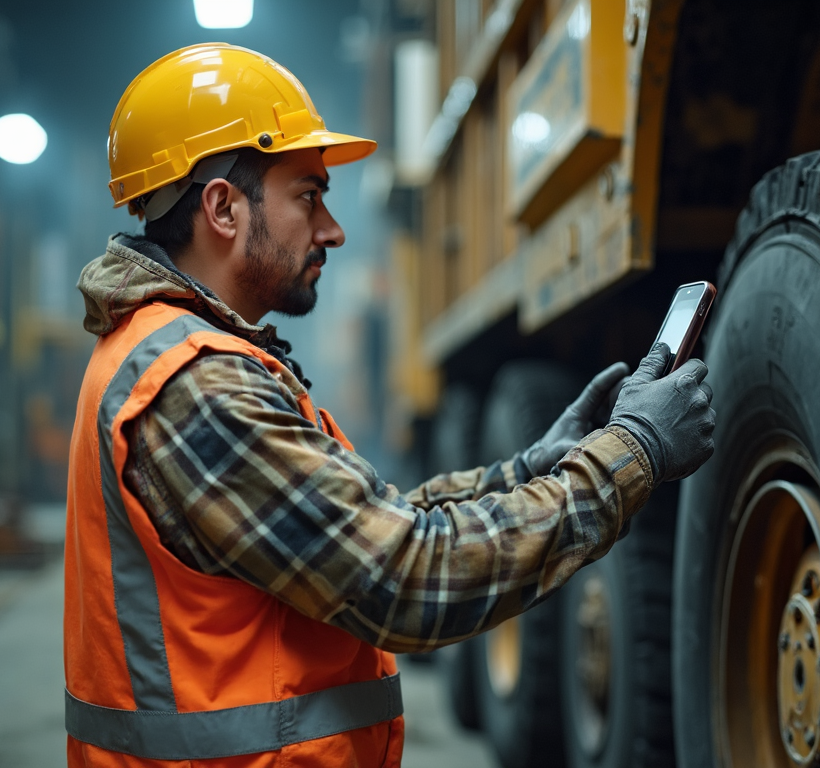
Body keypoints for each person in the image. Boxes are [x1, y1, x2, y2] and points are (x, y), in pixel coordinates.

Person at [64, 43, 716, 767]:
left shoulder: (172, 356)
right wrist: (634, 455)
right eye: (308, 196)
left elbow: (367, 527)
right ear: (222, 208)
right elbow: (407, 578)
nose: (332, 229)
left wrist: (535, 465)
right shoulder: (199, 388)